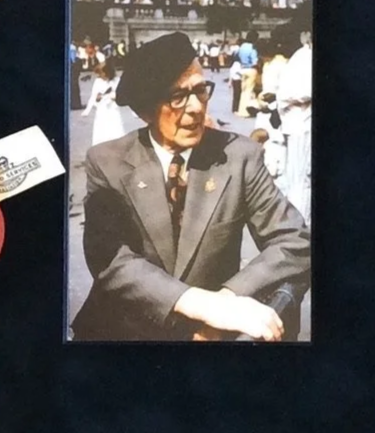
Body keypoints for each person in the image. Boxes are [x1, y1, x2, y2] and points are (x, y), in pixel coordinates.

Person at [71, 30, 310, 343]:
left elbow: (293, 240)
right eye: (178, 97)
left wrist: (226, 301)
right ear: (144, 110)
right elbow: (111, 259)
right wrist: (199, 304)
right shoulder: (107, 161)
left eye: (201, 90)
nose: (197, 108)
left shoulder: (239, 156)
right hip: (124, 331)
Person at [278, 24, 313, 224]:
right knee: (301, 179)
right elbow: (299, 90)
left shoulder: (301, 56)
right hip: (301, 124)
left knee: (299, 178)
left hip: (298, 123)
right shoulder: (303, 58)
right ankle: (299, 226)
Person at [83, 60, 129, 145]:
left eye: (102, 73)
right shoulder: (98, 81)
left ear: (108, 72)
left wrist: (112, 96)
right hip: (102, 109)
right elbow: (93, 96)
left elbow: (120, 94)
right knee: (101, 130)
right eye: (99, 74)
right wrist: (87, 110)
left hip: (113, 109)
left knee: (115, 129)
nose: (100, 75)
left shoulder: (116, 80)